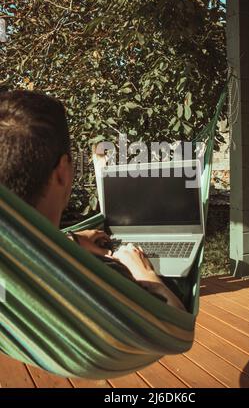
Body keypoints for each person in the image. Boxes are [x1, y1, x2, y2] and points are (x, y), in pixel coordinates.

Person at [0, 90, 184, 309]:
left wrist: (71, 239)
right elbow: (174, 333)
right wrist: (146, 276)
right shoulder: (87, 288)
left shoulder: (10, 269)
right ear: (63, 172)